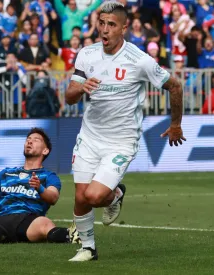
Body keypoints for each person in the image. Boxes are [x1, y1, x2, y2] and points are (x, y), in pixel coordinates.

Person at [65, 2, 186, 261]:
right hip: (89, 137)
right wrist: (81, 86)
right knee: (80, 198)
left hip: (121, 140)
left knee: (95, 196)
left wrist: (175, 124)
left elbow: (175, 86)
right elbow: (69, 97)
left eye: (111, 24)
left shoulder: (138, 60)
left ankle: (115, 194)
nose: (104, 30)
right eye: (101, 23)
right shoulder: (86, 54)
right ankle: (88, 248)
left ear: (124, 27)